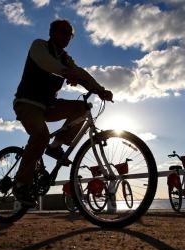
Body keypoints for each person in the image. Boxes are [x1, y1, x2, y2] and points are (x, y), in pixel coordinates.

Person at [13, 19, 113, 206]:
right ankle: (20, 183)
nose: (67, 37)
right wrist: (66, 72)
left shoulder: (66, 59)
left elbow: (81, 74)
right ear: (52, 33)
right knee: (41, 134)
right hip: (27, 103)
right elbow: (46, 62)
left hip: (49, 106)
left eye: (70, 34)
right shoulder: (39, 46)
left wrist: (100, 90)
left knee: (82, 108)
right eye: (63, 32)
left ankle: (56, 146)